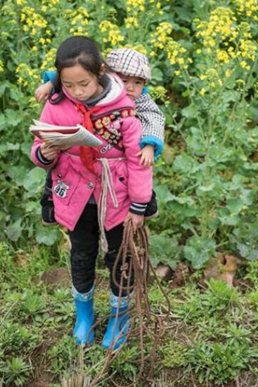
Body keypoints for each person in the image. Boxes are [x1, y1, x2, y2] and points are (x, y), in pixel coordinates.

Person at [30, 36, 153, 350]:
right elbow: (38, 150)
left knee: (120, 256)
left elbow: (138, 162)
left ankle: (119, 316)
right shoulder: (57, 104)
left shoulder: (124, 109)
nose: (77, 92)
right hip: (76, 195)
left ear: (100, 71)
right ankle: (83, 314)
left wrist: (138, 206)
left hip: (117, 196)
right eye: (69, 85)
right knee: (81, 254)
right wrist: (46, 150)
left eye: (83, 83)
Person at [35, 48, 165, 225]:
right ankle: (50, 200)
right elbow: (72, 73)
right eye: (124, 80)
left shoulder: (141, 100)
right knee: (60, 168)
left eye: (138, 82)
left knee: (138, 169)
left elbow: (154, 118)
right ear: (106, 75)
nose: (130, 88)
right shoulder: (91, 89)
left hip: (125, 156)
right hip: (84, 166)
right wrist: (50, 84)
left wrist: (149, 145)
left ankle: (145, 203)